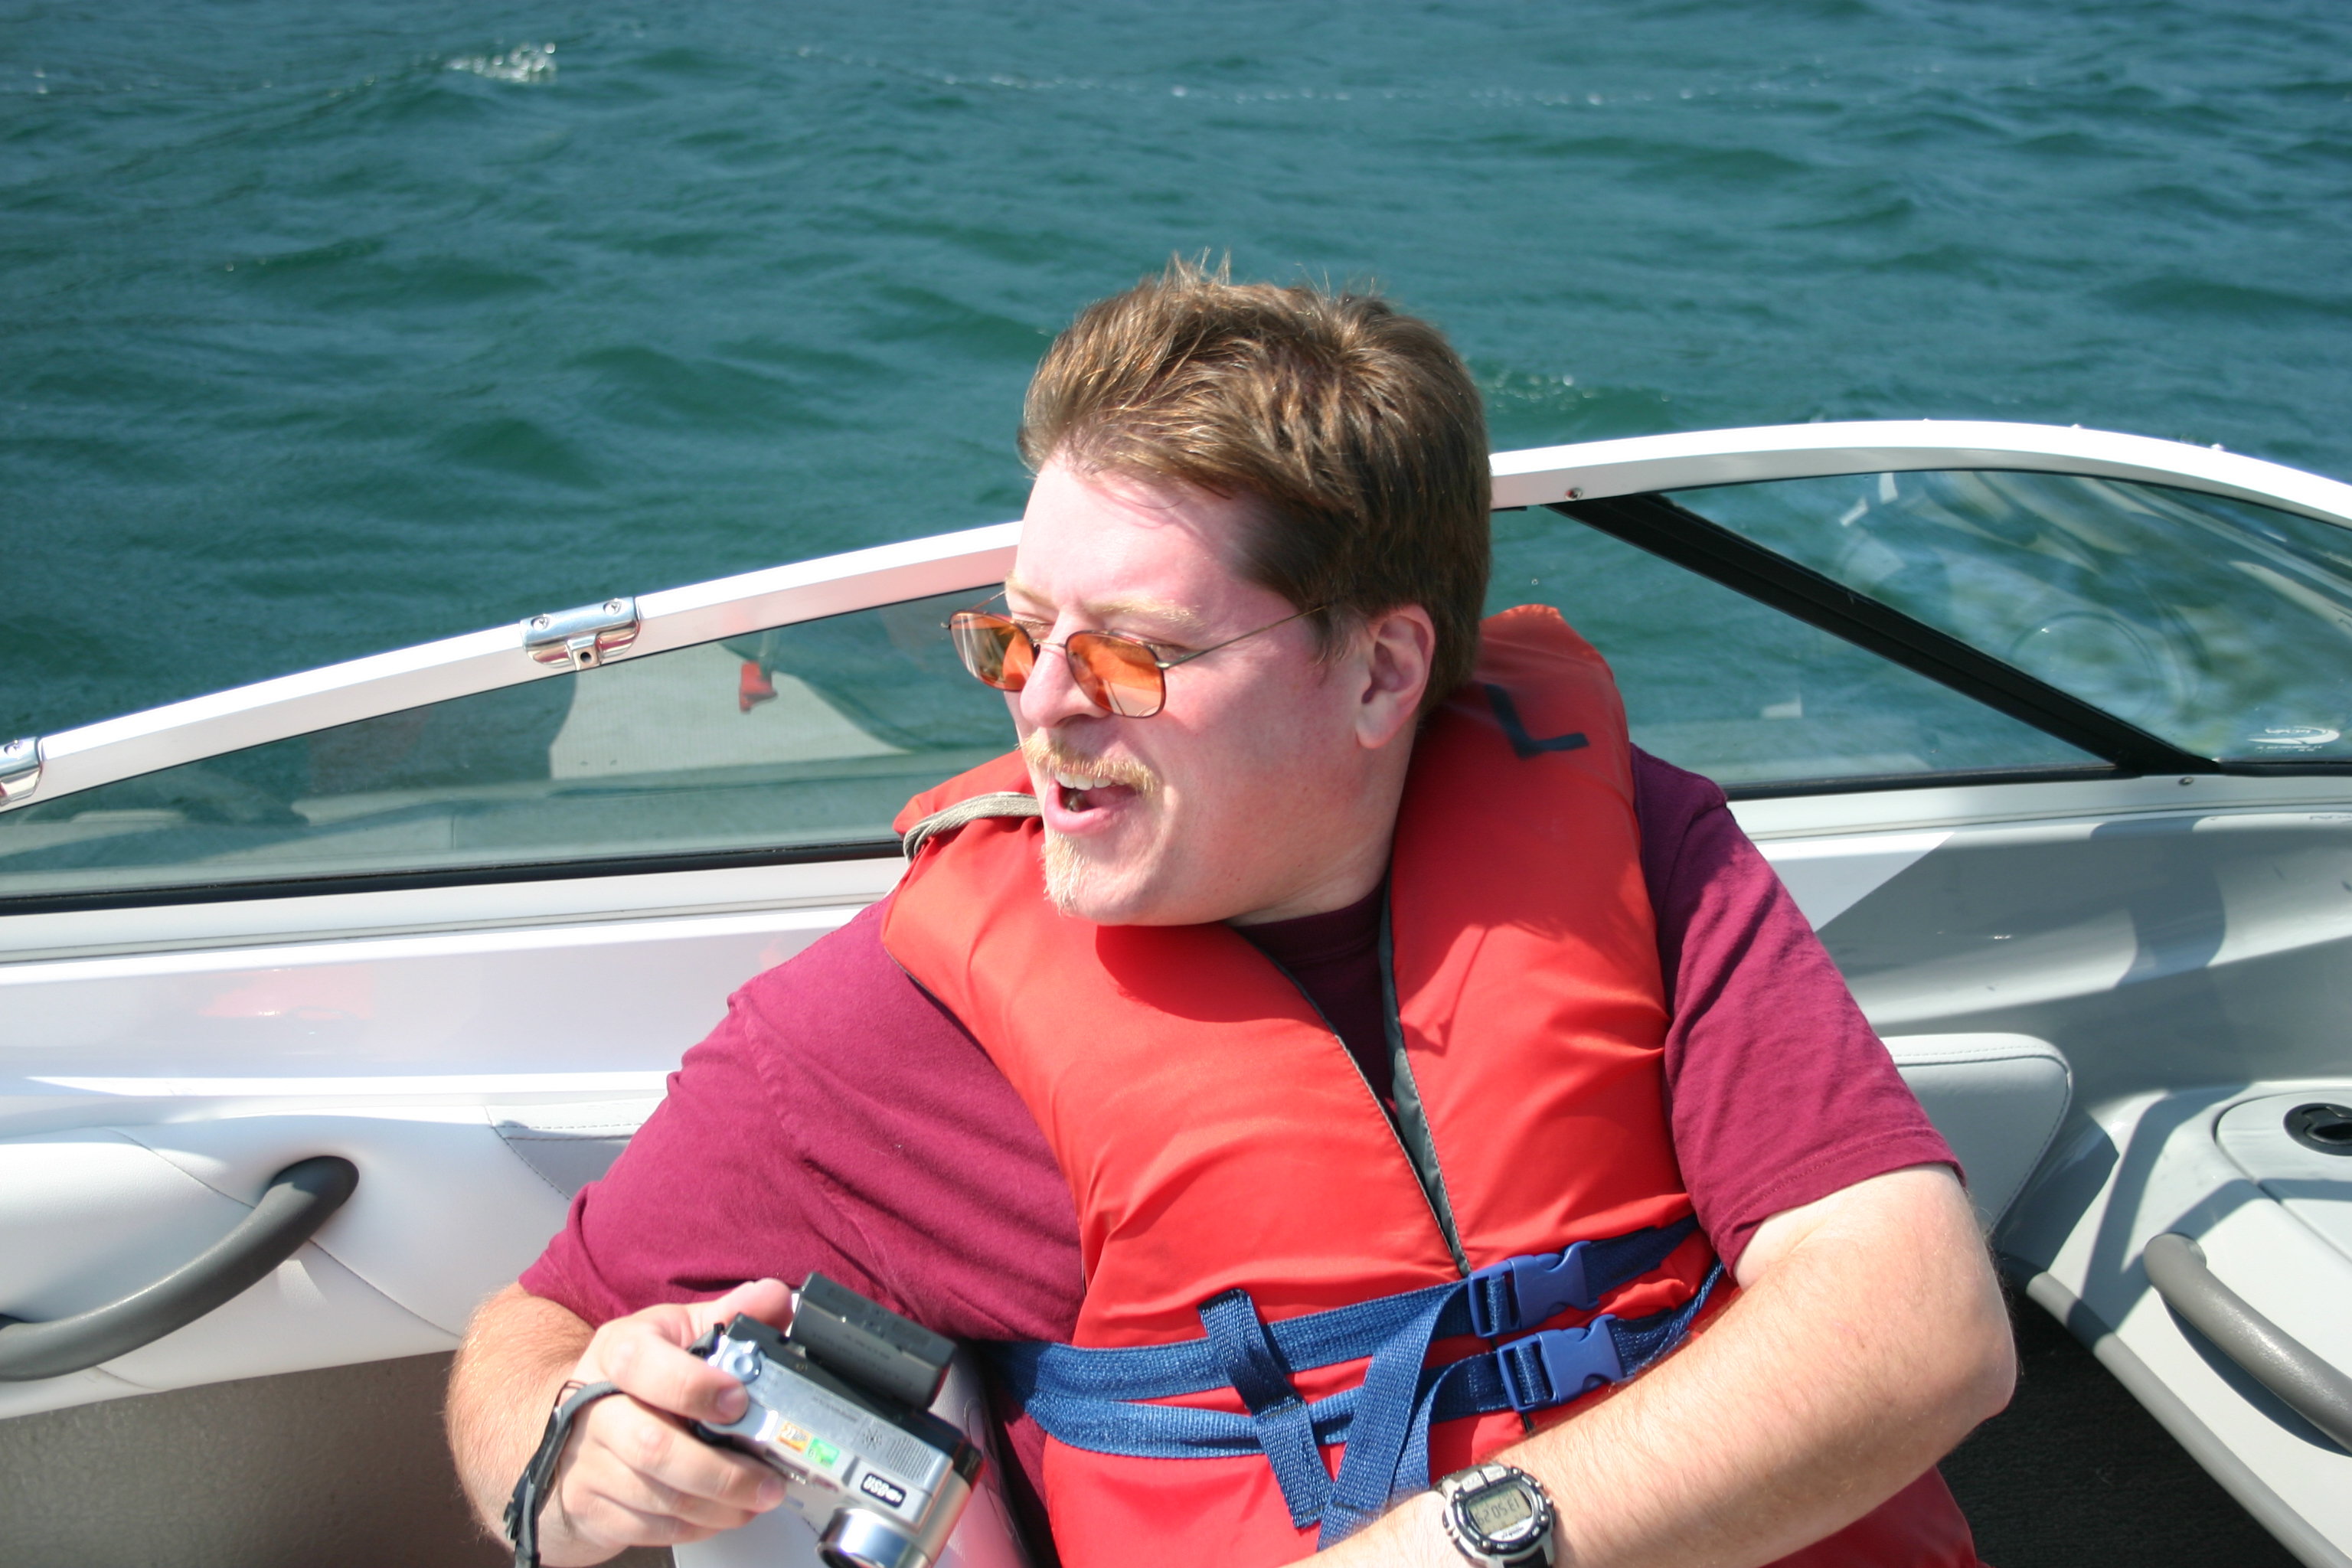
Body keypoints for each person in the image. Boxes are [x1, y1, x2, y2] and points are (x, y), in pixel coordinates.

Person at [446, 259, 2014, 1568]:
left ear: (1381, 672)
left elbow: (1920, 1317)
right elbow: (529, 1337)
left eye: (1128, 654)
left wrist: (1462, 1546)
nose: (1042, 708)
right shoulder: (901, 1026)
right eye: (1018, 636)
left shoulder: (1634, 856)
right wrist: (577, 1464)